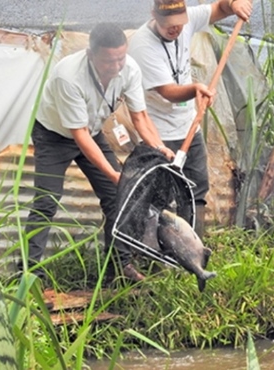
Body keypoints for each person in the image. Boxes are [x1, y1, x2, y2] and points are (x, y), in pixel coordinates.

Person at [23, 23, 174, 282]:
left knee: (118, 197)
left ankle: (118, 267)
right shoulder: (68, 76)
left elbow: (140, 117)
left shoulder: (130, 69)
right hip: (54, 136)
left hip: (92, 132)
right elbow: (78, 135)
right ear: (91, 55)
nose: (116, 67)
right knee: (46, 202)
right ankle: (28, 273)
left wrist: (159, 147)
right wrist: (115, 174)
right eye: (108, 61)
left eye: (120, 58)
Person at [127, 0, 252, 238]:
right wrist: (195, 88)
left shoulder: (188, 19)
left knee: (197, 188)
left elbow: (220, 9)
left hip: (189, 128)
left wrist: (234, 4)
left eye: (180, 23)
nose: (176, 29)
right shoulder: (142, 45)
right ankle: (158, 255)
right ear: (154, 15)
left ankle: (194, 248)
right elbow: (167, 91)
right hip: (159, 133)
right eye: (169, 25)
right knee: (159, 196)